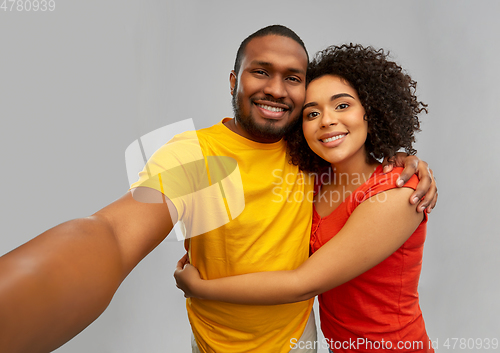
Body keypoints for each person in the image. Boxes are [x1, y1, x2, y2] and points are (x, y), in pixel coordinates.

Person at [0, 26, 437, 353]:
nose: (275, 89)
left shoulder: (313, 155)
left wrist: (408, 161)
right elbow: (112, 234)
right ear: (234, 82)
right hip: (212, 343)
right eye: (260, 72)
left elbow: (310, 273)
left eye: (292, 78)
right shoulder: (196, 154)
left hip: (298, 342)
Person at [174, 44, 434, 353]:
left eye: (342, 106)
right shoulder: (316, 180)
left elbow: (303, 283)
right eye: (312, 113)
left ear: (370, 110)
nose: (326, 120)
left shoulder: (398, 194)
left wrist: (199, 288)